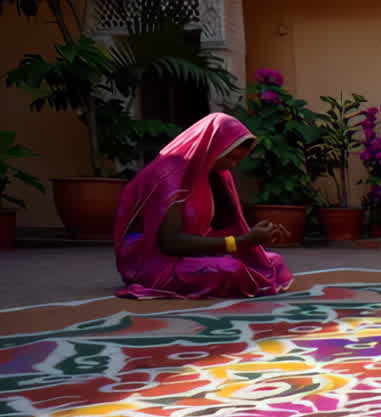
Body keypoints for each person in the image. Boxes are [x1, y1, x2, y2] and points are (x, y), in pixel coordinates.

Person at [113, 112, 292, 299]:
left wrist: (257, 237)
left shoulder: (217, 173)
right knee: (233, 270)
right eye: (231, 158)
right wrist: (240, 242)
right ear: (213, 148)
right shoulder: (172, 175)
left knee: (272, 262)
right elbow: (169, 243)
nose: (233, 166)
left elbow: (222, 227)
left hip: (192, 253)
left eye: (238, 160)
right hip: (154, 261)